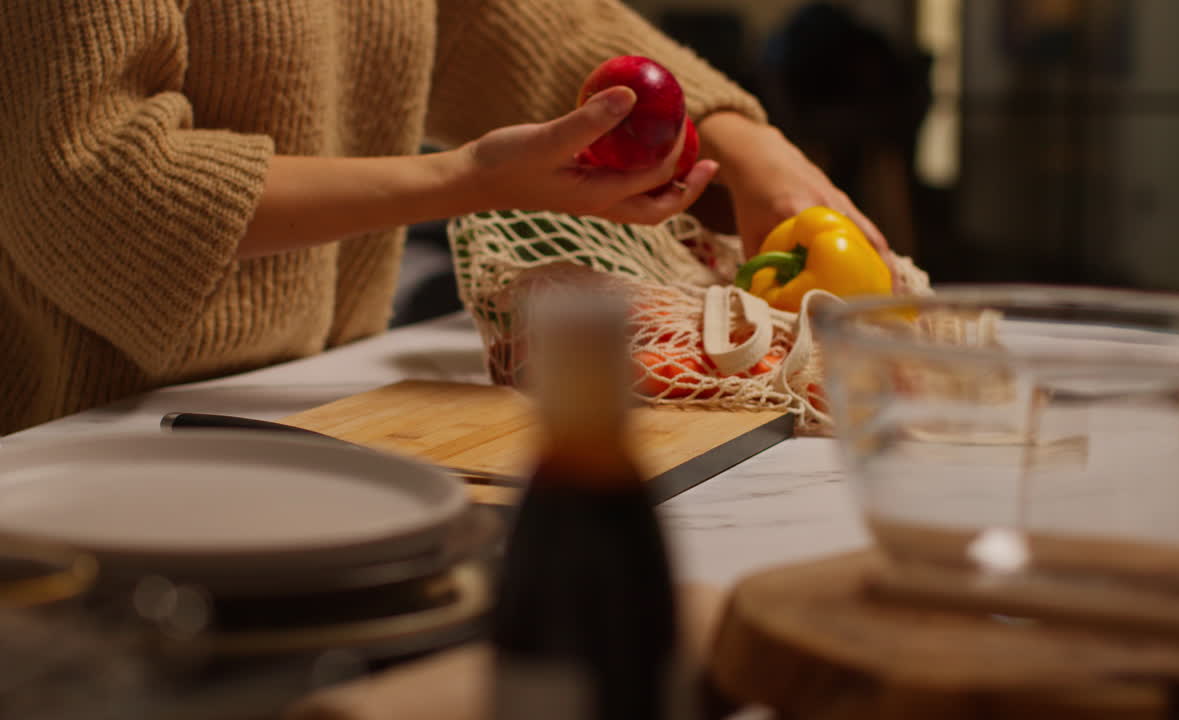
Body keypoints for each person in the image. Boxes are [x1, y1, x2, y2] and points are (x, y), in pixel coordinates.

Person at [0, 0, 886, 435]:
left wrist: (740, 136)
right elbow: (90, 185)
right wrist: (465, 179)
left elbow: (487, 21)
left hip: (314, 405)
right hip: (77, 440)